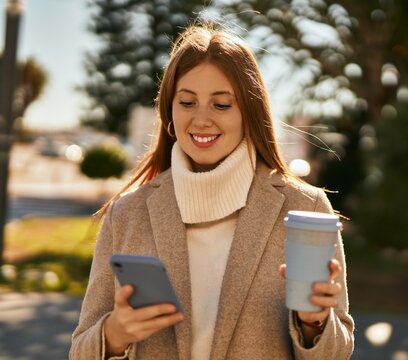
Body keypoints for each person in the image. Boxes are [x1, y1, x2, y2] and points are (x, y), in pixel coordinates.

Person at [70, 22, 354, 360]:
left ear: (249, 112)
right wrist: (115, 334)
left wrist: (315, 323)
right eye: (187, 102)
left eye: (221, 105)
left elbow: (337, 353)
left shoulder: (305, 208)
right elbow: (81, 350)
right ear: (169, 111)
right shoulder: (127, 213)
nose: (201, 119)